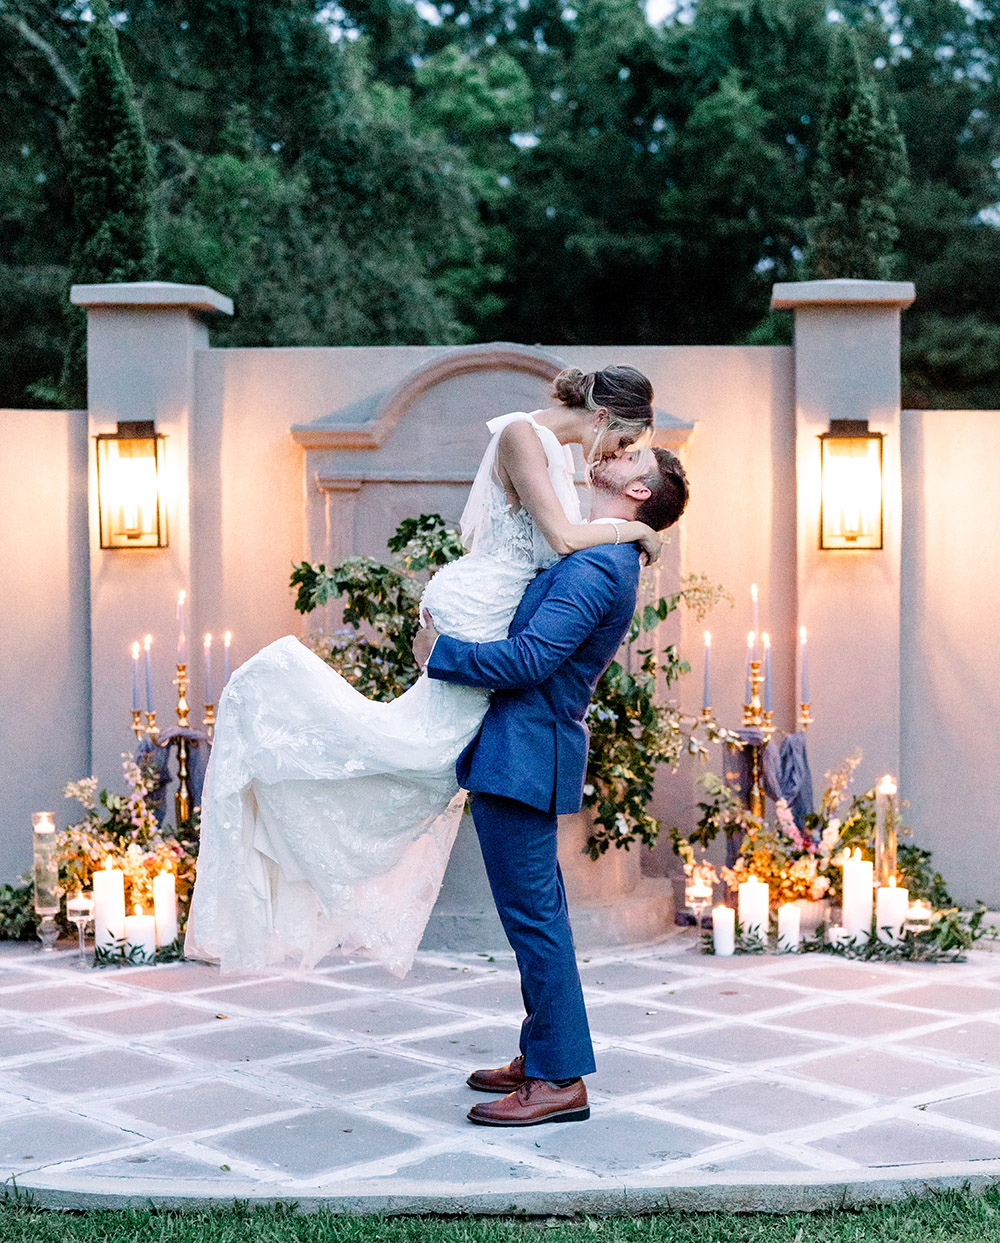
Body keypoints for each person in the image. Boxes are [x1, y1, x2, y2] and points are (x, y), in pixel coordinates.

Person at [185, 366, 662, 977]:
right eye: (621, 444)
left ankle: (319, 829)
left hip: (491, 614)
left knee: (420, 760)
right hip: (479, 606)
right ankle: (281, 729)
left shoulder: (558, 456)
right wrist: (638, 528)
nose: (613, 457)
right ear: (602, 417)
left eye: (626, 456)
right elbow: (564, 540)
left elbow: (557, 556)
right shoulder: (523, 434)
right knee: (414, 755)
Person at [413, 445, 689, 1126]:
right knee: (536, 914)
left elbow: (532, 658)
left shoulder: (599, 566)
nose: (615, 454)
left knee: (535, 920)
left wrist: (440, 654)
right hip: (523, 746)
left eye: (633, 458)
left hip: (525, 749)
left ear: (641, 491)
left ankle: (560, 1077)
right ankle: (542, 1050)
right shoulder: (599, 549)